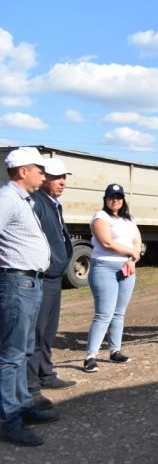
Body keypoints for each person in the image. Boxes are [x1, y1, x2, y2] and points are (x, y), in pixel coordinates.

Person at [0, 147, 58, 447]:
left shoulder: (22, 200)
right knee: (10, 355)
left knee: (23, 350)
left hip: (29, 284)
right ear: (23, 171)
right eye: (39, 169)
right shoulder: (7, 199)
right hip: (15, 282)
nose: (43, 174)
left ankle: (23, 407)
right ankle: (8, 420)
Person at [27, 158, 76, 414]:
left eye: (64, 177)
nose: (62, 182)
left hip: (55, 277)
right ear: (43, 177)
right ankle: (31, 387)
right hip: (43, 277)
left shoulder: (54, 204)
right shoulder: (37, 203)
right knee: (36, 332)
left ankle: (46, 373)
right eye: (57, 177)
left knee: (48, 331)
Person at [83, 184, 142, 373]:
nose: (115, 200)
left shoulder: (129, 219)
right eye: (111, 197)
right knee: (104, 314)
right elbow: (106, 242)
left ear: (123, 199)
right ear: (105, 199)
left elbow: (137, 241)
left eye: (119, 197)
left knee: (119, 313)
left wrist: (133, 258)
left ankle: (115, 351)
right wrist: (131, 252)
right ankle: (90, 357)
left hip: (127, 268)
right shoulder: (100, 217)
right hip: (104, 268)